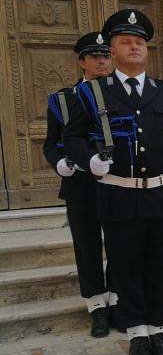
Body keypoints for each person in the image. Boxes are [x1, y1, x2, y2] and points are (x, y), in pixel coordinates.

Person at [64, 9, 163, 355]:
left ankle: (158, 329)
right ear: (112, 49)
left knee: (162, 266)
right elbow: (70, 138)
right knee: (126, 267)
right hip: (118, 195)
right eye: (126, 41)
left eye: (140, 42)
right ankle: (137, 334)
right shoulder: (92, 94)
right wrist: (89, 160)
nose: (134, 46)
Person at [43, 31, 118, 338]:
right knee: (87, 246)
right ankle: (96, 306)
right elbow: (51, 143)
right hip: (81, 185)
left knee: (119, 243)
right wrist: (60, 163)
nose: (102, 61)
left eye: (105, 56)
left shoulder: (121, 95)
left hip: (116, 182)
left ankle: (116, 299)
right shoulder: (64, 100)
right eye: (95, 56)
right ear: (82, 62)